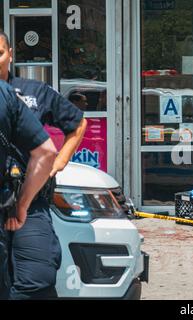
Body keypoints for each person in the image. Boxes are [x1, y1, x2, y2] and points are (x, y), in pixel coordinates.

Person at [0, 31, 88, 299]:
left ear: (11, 54)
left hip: (30, 202)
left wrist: (58, 162)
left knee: (36, 279)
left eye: (0, 52)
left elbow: (78, 123)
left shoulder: (34, 92)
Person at [0, 81, 57, 300]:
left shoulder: (36, 91)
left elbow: (77, 123)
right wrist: (22, 205)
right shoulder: (6, 95)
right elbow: (46, 152)